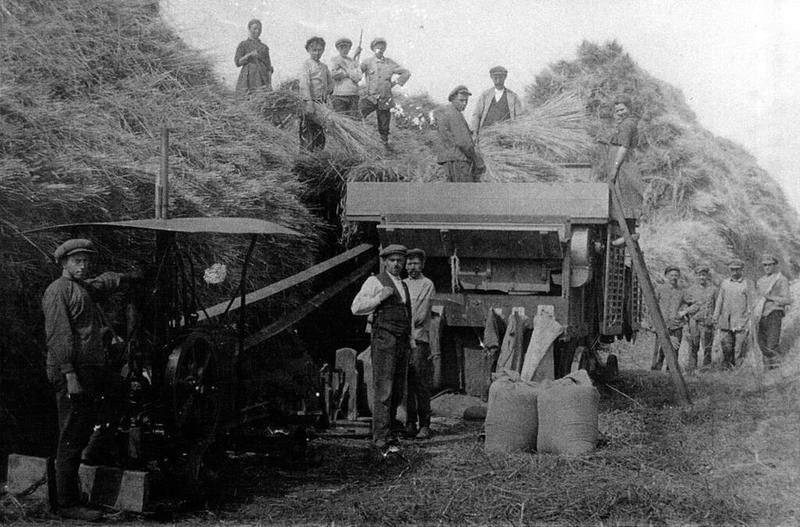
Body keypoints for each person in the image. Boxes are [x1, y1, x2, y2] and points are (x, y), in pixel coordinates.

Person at [42, 239, 137, 521]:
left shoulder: (82, 287)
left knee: (111, 402)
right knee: (71, 436)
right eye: (77, 261)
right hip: (73, 373)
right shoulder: (58, 290)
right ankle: (67, 504)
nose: (83, 266)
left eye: (86, 261)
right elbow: (58, 335)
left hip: (90, 371)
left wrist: (128, 277)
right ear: (64, 263)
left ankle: (93, 452)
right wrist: (70, 375)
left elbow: (101, 284)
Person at [351, 244, 412, 454]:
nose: (396, 264)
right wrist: (379, 298)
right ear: (385, 262)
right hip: (384, 339)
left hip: (402, 341)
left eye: (400, 261)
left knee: (397, 390)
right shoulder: (375, 282)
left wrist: (410, 341)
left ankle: (391, 433)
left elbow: (407, 315)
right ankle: (380, 439)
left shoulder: (403, 285)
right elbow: (356, 307)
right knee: (384, 390)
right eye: (392, 260)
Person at [403, 248, 435, 440]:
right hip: (403, 340)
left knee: (420, 382)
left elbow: (420, 315)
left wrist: (402, 322)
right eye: (409, 263)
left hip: (418, 340)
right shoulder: (402, 284)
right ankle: (410, 423)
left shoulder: (427, 284)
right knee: (406, 382)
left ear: (422, 265)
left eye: (415, 263)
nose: (412, 267)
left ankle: (425, 425)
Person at [359, 37, 411, 146]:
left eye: (382, 47)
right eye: (377, 47)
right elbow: (356, 74)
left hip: (385, 98)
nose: (380, 49)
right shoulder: (367, 62)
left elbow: (406, 72)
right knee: (358, 114)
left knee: (384, 124)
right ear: (373, 49)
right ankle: (357, 138)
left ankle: (384, 144)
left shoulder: (390, 63)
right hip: (370, 97)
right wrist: (355, 56)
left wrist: (395, 82)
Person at [603, 94, 643, 223]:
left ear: (629, 108)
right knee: (621, 194)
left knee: (623, 193)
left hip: (623, 164)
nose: (620, 113)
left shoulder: (627, 125)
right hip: (621, 163)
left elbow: (624, 147)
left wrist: (615, 167)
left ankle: (625, 227)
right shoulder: (626, 123)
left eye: (622, 109)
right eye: (617, 111)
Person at [713, 258, 755, 367]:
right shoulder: (725, 283)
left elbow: (751, 303)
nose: (734, 272)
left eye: (737, 269)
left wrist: (750, 320)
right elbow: (719, 301)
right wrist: (715, 316)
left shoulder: (747, 284)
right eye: (732, 269)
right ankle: (727, 368)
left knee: (739, 349)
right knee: (726, 346)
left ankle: (738, 370)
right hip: (726, 321)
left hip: (741, 321)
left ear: (742, 270)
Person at [755, 253, 792, 368]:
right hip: (761, 315)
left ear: (775, 265)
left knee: (772, 343)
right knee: (761, 344)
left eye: (770, 265)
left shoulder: (781, 279)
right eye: (765, 265)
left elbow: (787, 300)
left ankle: (775, 368)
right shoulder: (760, 281)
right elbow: (757, 299)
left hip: (774, 313)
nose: (767, 267)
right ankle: (767, 368)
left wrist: (770, 297)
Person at [437, 85, 481, 182]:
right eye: (461, 100)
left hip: (449, 162)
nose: (464, 104)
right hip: (459, 162)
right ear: (453, 99)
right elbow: (464, 143)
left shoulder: (446, 112)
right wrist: (476, 158)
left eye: (466, 101)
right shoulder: (455, 115)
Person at [470, 66, 525, 139]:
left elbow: (519, 117)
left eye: (501, 77)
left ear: (505, 77)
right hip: (485, 135)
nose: (498, 80)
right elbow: (477, 114)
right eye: (495, 77)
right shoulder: (485, 95)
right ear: (491, 77)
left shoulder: (513, 97)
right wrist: (474, 132)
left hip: (506, 137)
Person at [299, 36, 333, 151]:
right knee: (308, 131)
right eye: (314, 50)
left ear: (323, 50)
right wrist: (308, 102)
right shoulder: (306, 65)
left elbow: (330, 83)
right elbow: (304, 84)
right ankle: (306, 155)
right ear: (308, 50)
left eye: (319, 50)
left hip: (321, 104)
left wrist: (327, 92)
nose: (317, 53)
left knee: (319, 131)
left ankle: (318, 154)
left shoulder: (324, 67)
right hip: (310, 103)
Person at [652, 266, 689, 371]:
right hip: (662, 324)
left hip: (677, 325)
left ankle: (671, 370)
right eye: (671, 275)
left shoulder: (682, 291)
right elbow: (652, 305)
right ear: (666, 276)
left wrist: (684, 311)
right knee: (663, 346)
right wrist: (653, 323)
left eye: (676, 275)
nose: (674, 277)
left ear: (679, 277)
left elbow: (693, 303)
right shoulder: (660, 289)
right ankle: (657, 366)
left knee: (675, 347)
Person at [683, 265, 718, 369]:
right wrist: (686, 324)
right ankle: (692, 367)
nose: (702, 277)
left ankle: (706, 367)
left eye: (704, 275)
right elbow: (686, 307)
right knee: (693, 344)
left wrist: (714, 320)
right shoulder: (690, 290)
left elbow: (717, 306)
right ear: (696, 276)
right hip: (694, 321)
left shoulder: (713, 290)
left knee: (707, 345)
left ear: (707, 276)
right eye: (699, 275)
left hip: (707, 322)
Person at [234, 19, 273, 96]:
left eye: (259, 29)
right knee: (245, 98)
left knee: (261, 98)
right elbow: (238, 63)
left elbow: (269, 68)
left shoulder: (264, 47)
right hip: (247, 78)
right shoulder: (243, 44)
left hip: (261, 78)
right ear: (249, 29)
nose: (257, 31)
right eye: (254, 29)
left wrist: (269, 84)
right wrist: (249, 55)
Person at [330, 37, 362, 118]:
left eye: (346, 47)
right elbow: (333, 75)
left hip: (353, 95)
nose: (344, 50)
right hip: (339, 95)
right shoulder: (335, 60)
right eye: (341, 47)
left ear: (349, 48)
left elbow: (358, 77)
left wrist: (345, 69)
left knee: (353, 120)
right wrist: (350, 74)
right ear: (338, 49)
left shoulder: (354, 62)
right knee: (341, 120)